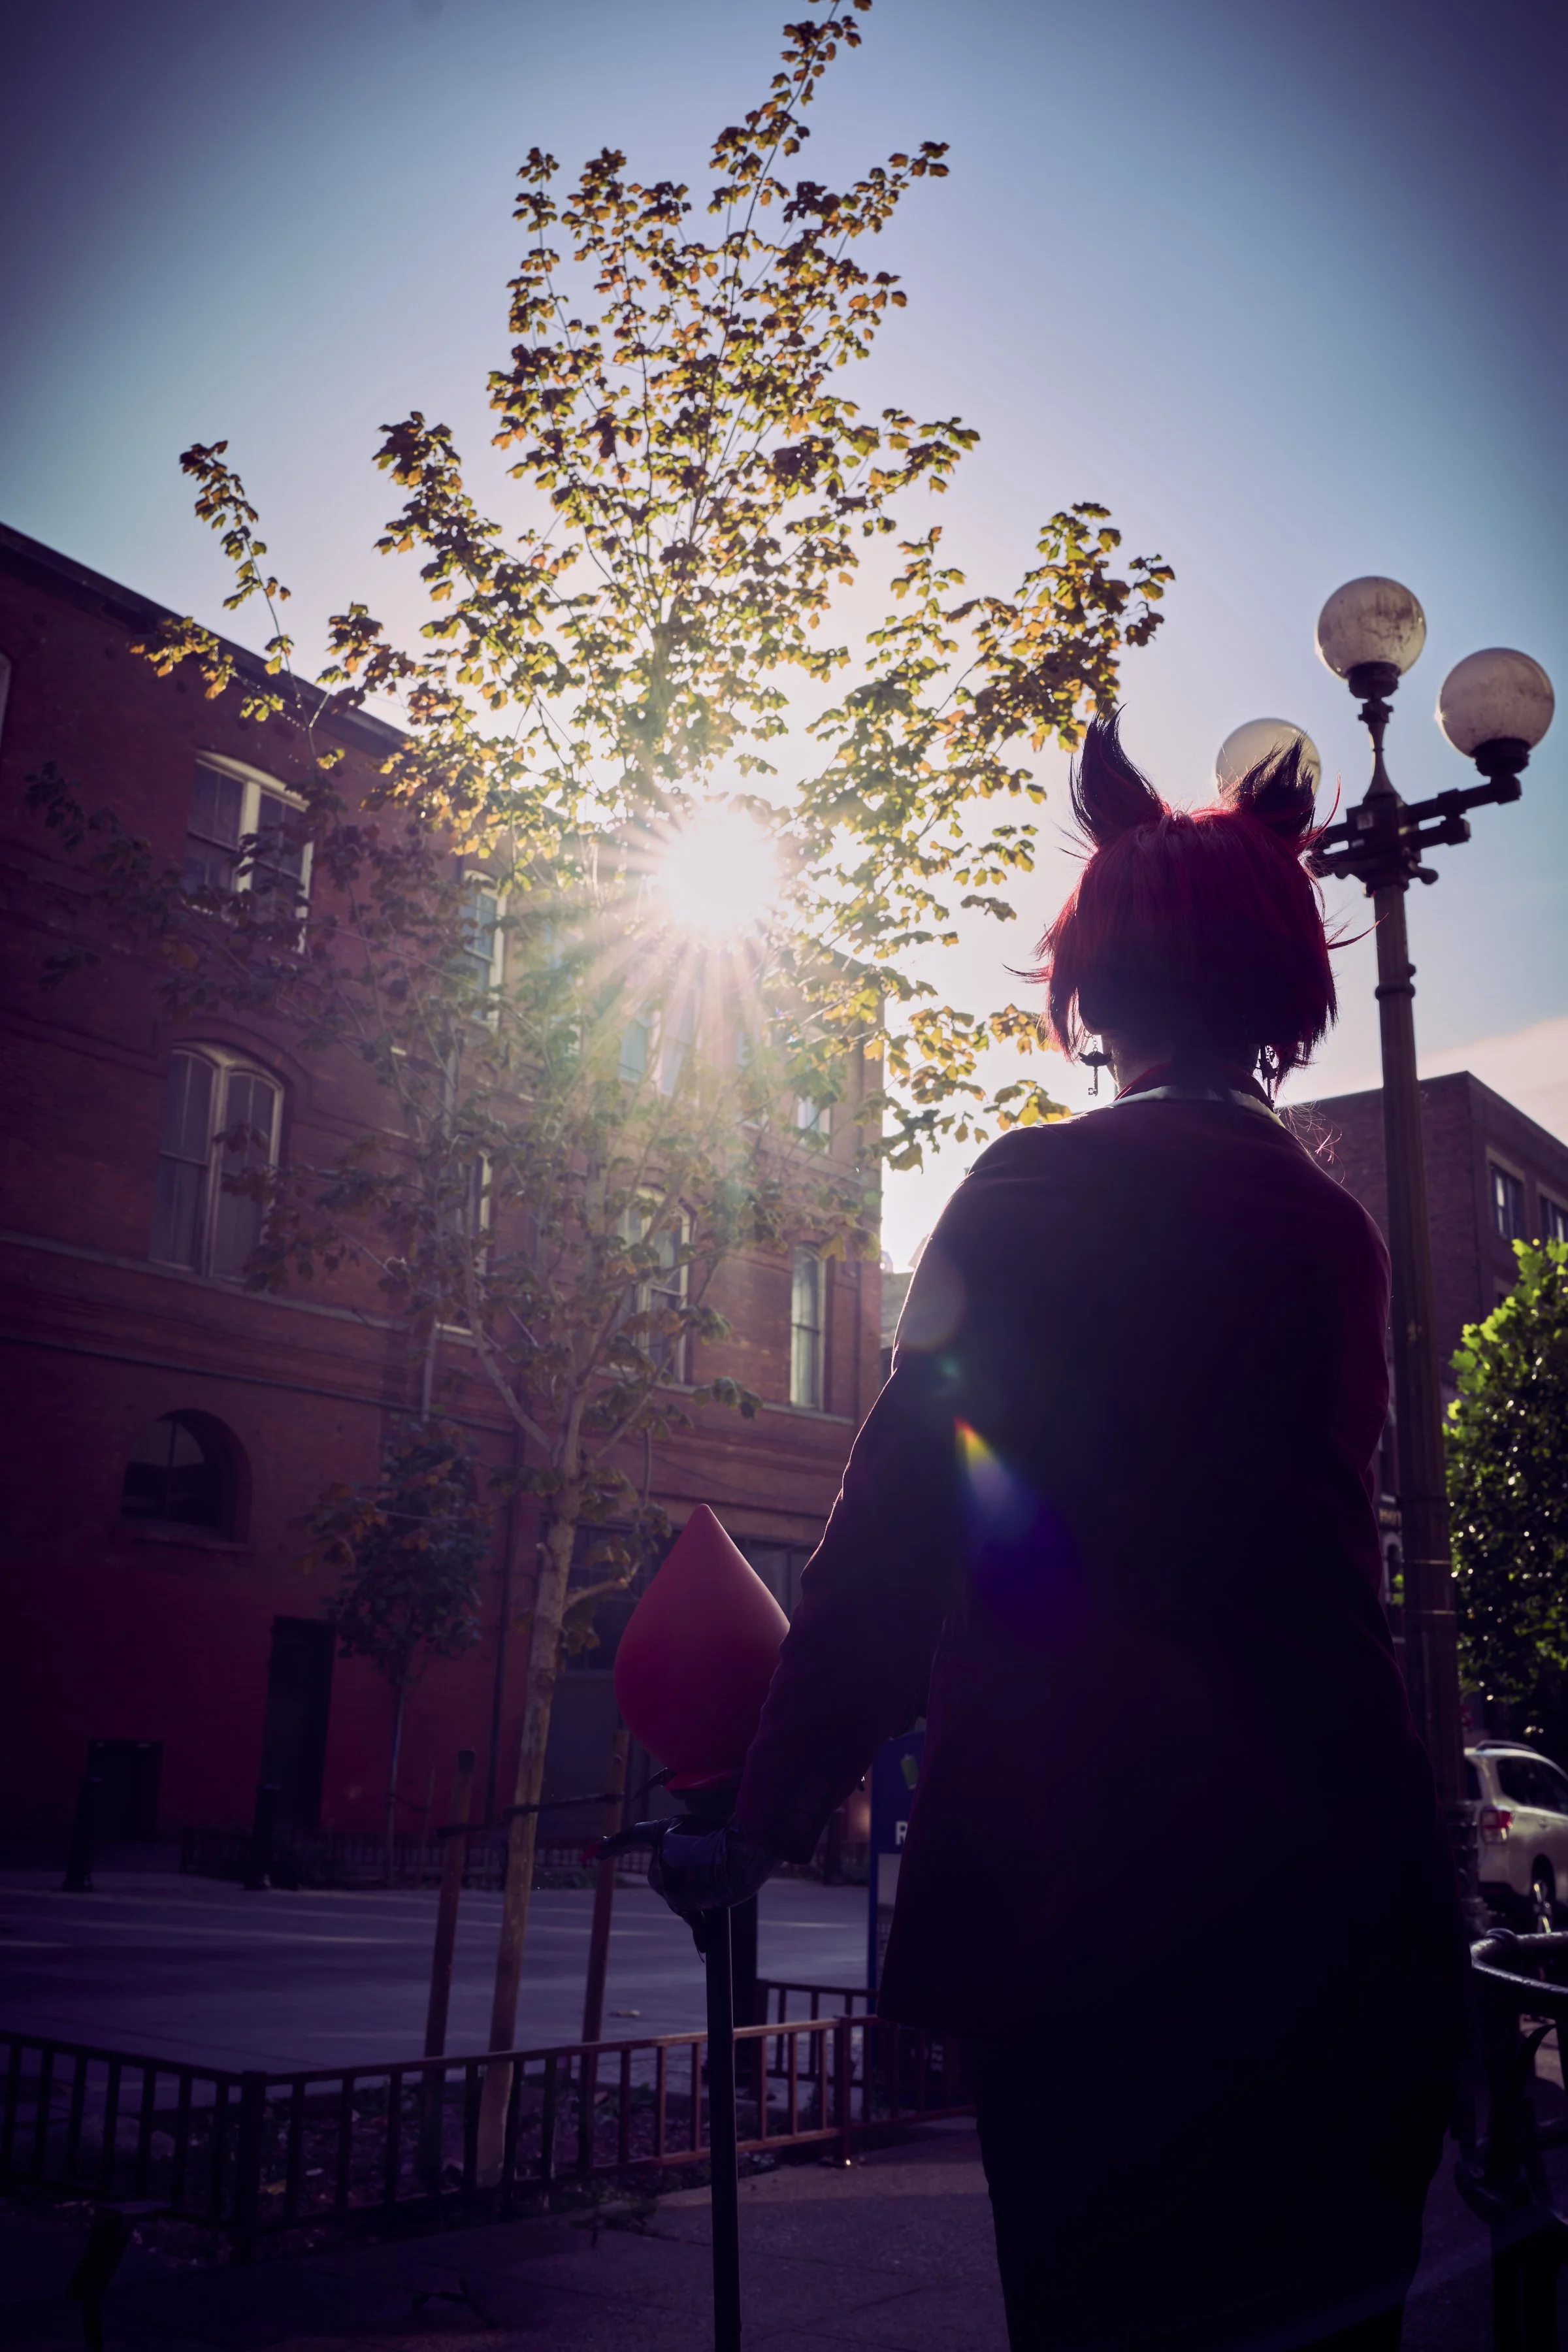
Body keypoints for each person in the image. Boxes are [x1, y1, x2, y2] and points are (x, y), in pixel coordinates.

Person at [646, 714, 1468, 2350]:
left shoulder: (1032, 1189)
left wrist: (755, 1813)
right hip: (1339, 1897)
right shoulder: (1335, 1230)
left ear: (1091, 990)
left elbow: (899, 1537)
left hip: (1095, 1902)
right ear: (1289, 989)